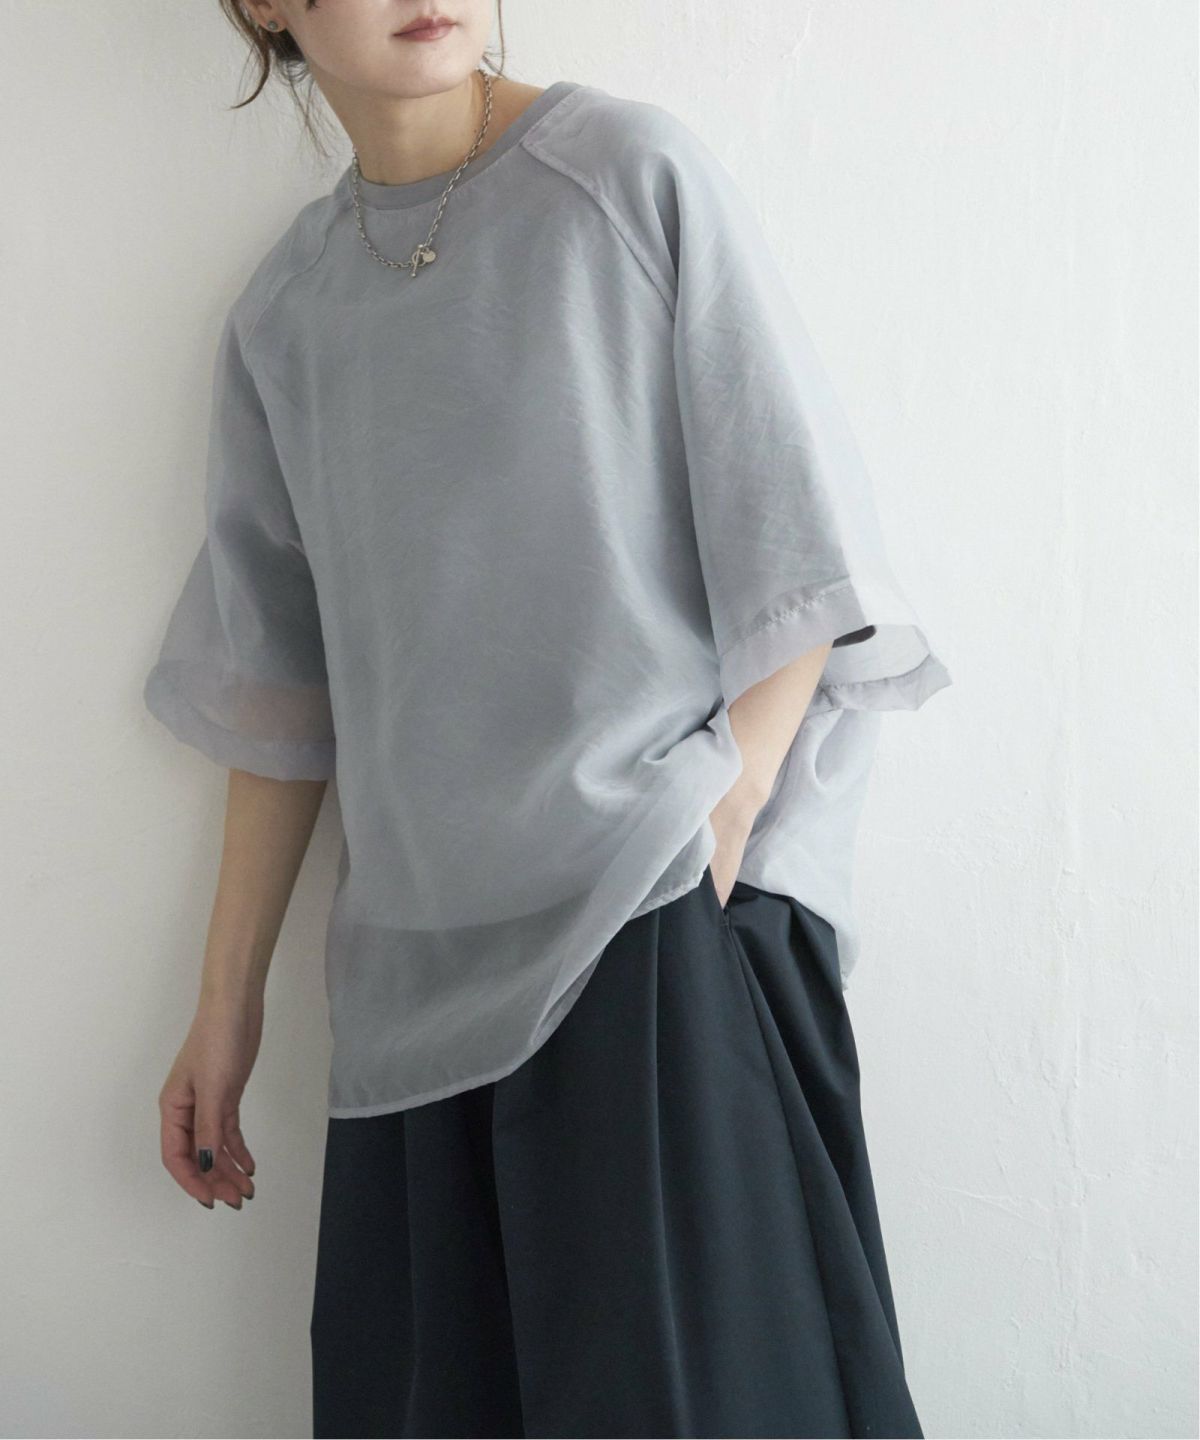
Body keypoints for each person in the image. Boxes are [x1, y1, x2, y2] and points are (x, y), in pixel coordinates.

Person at [145, 2, 952, 1435]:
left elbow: (802, 546)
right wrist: (226, 1006)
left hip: (643, 929)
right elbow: (281, 692)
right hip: (410, 989)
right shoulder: (287, 314)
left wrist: (713, 833)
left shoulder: (624, 176)